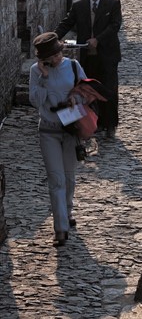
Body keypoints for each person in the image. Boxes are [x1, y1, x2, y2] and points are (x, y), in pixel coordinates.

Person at [29, 32, 87, 247]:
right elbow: (35, 101)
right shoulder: (36, 71)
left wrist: (75, 98)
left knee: (70, 178)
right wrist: (44, 78)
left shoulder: (72, 66)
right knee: (56, 180)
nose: (53, 60)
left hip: (70, 129)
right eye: (48, 57)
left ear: (60, 51)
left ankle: (67, 211)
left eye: (55, 55)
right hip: (48, 130)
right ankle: (60, 228)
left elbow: (85, 92)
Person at [55, 0, 122, 136]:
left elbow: (114, 26)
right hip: (86, 54)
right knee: (89, 89)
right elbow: (67, 23)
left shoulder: (113, 4)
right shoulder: (79, 6)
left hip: (107, 54)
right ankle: (95, 122)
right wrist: (53, 39)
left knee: (109, 88)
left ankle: (110, 124)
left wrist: (98, 39)